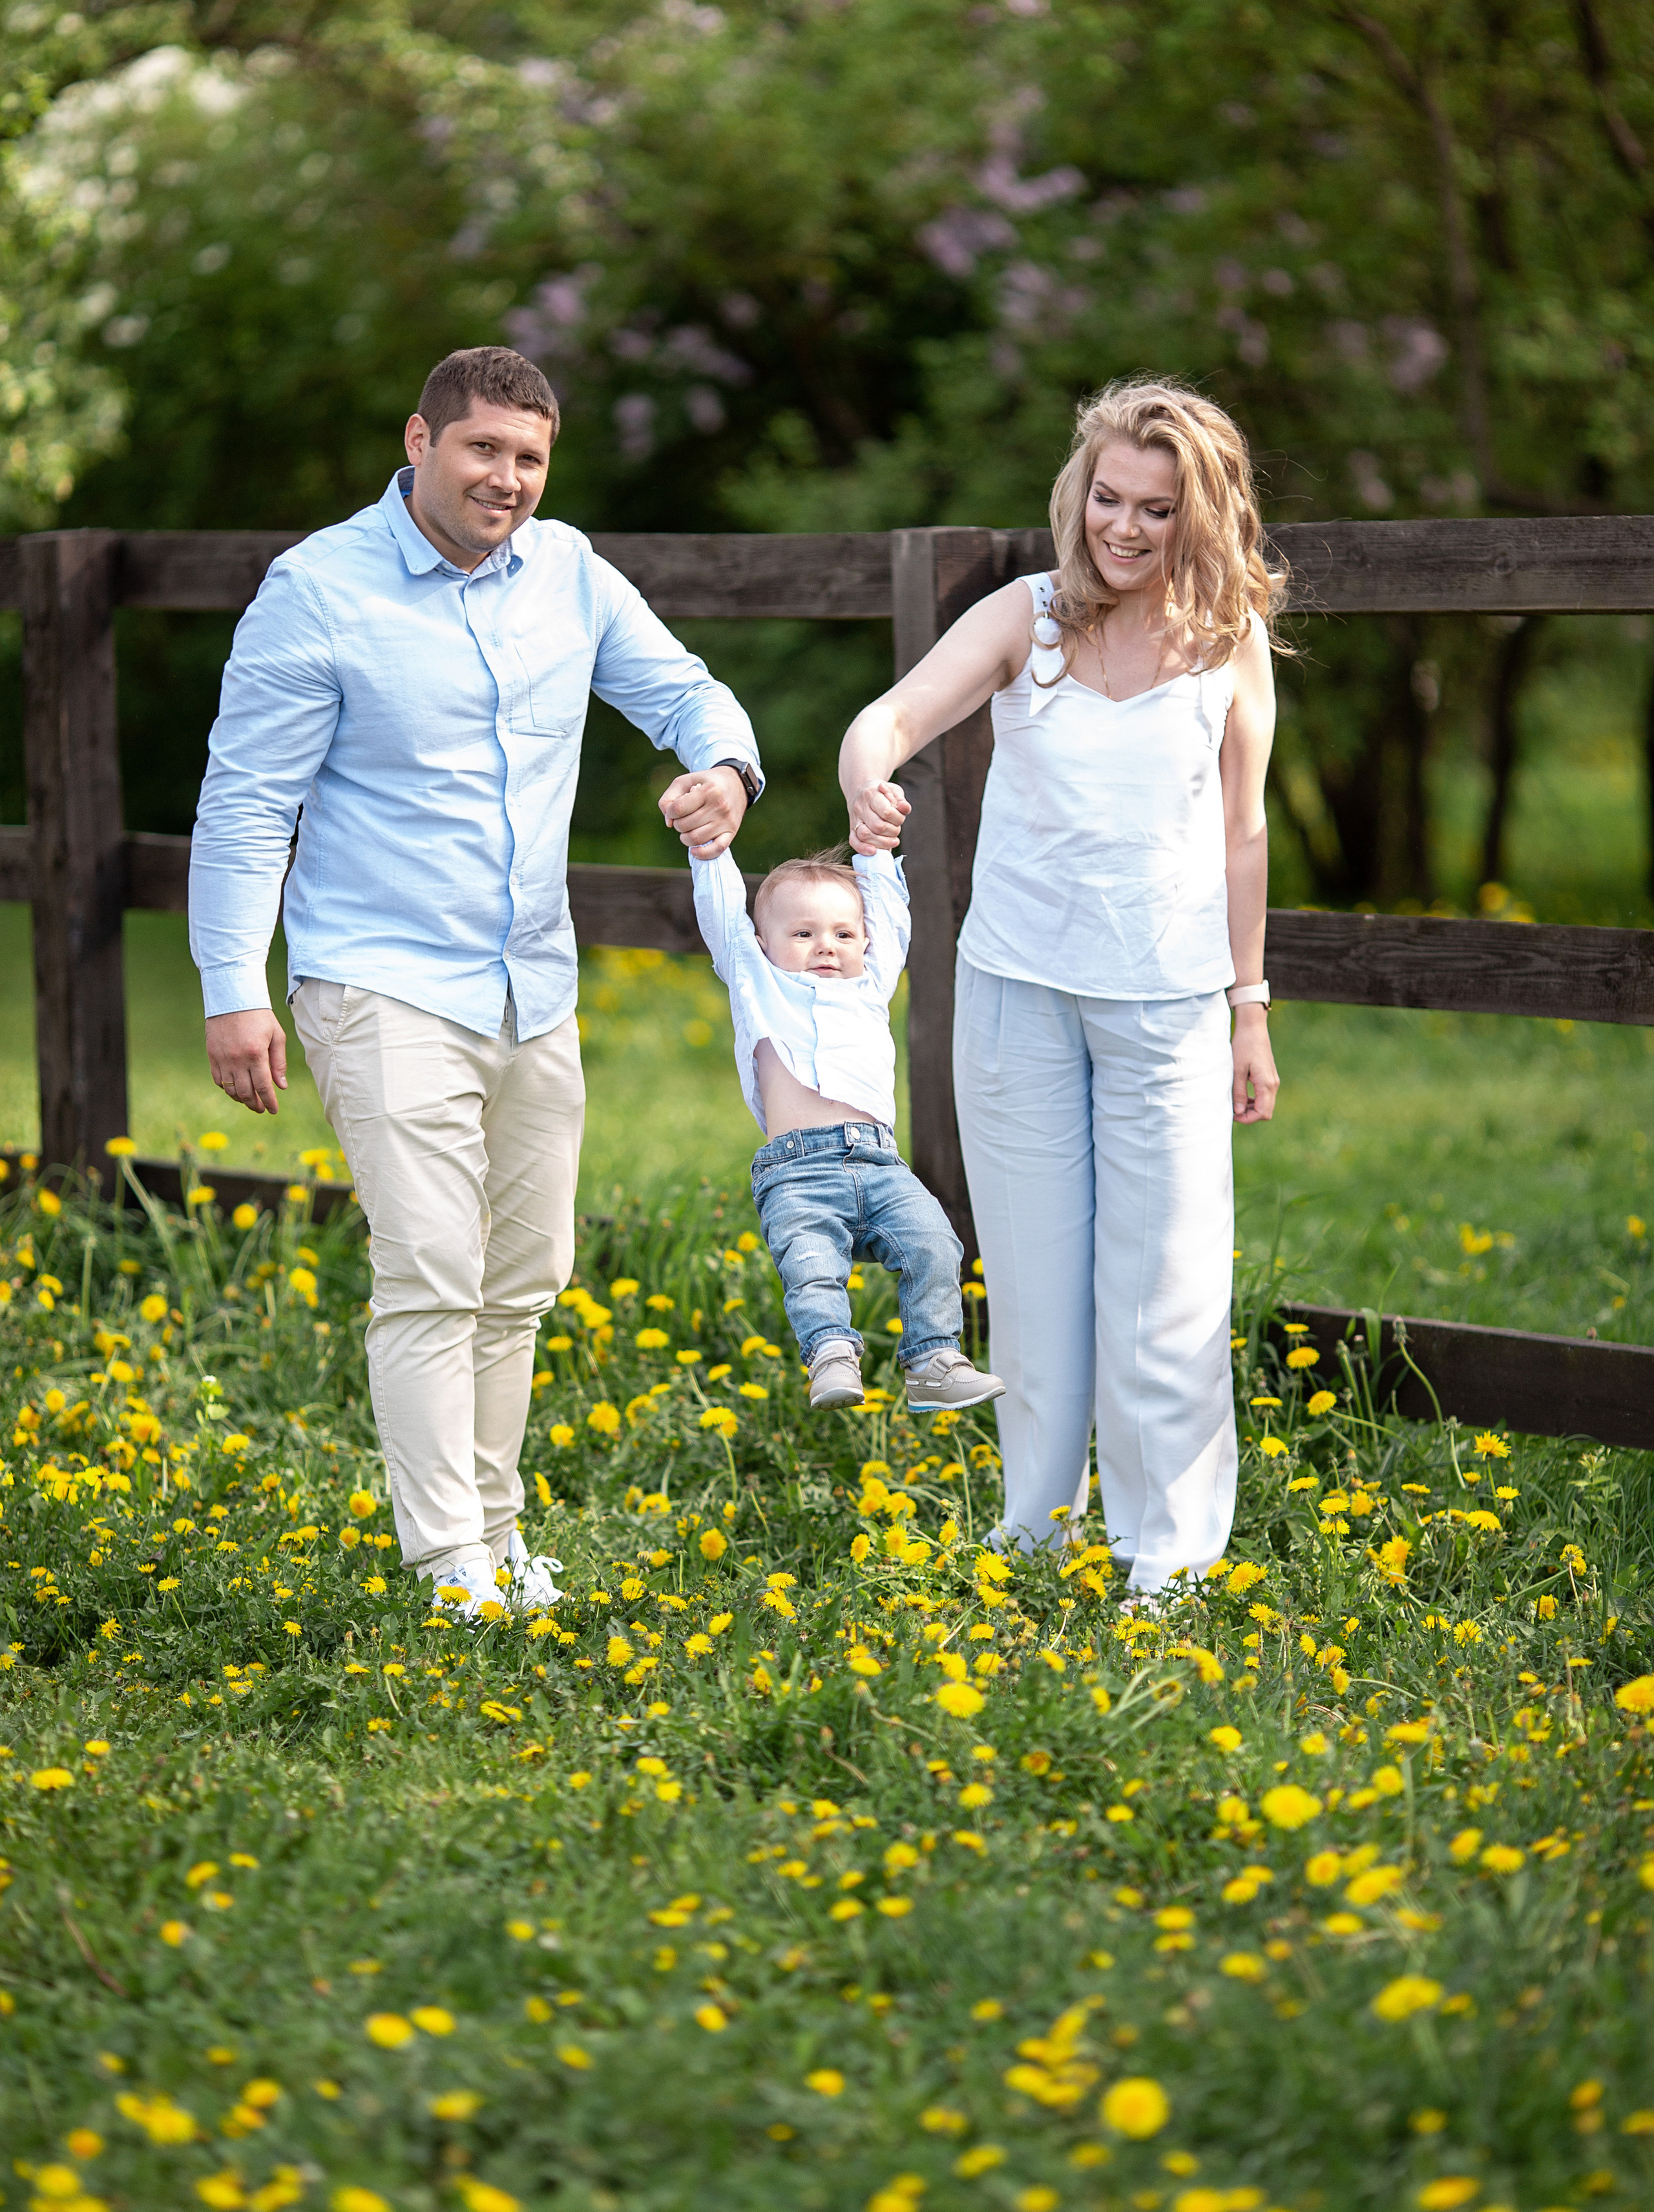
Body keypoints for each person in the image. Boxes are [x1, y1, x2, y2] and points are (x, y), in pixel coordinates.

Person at [189, 346, 763, 1620]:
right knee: (434, 1268)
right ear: (419, 442)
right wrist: (235, 983)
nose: (505, 478)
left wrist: (726, 770)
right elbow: (246, 804)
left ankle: (498, 1545)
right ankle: (449, 1564)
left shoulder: (566, 572)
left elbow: (682, 689)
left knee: (522, 1275)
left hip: (531, 988)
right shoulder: (316, 593)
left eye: (527, 457)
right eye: (482, 449)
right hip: (379, 983)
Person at [837, 377, 1282, 1600]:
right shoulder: (1023, 618)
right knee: (1034, 1287)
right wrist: (867, 781)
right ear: (1077, 493)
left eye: (1155, 509)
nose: (1125, 529)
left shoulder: (1230, 640)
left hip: (1170, 1005)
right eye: (1109, 498)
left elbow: (1243, 836)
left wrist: (1250, 1010)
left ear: (1201, 516)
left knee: (1168, 1290)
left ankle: (1167, 1560)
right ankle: (1034, 1536)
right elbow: (888, 718)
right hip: (1015, 996)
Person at [690, 840, 1005, 1417]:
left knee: (935, 1243)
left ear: (863, 942)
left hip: (882, 1165)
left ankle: (934, 1360)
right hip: (798, 1170)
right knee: (810, 1263)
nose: (825, 947)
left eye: (842, 933)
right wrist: (708, 850)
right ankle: (831, 1352)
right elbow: (720, 912)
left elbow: (889, 915)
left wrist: (876, 850)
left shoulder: (869, 986)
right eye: (803, 934)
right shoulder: (757, 985)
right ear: (763, 946)